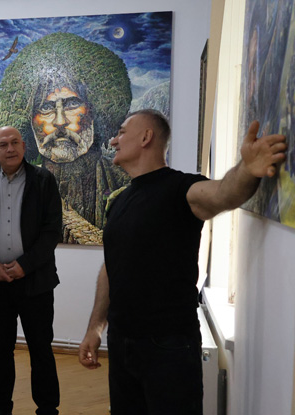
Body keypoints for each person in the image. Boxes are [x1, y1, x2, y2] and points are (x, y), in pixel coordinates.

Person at [78, 109, 288, 415]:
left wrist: (247, 168)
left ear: (146, 137)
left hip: (169, 345)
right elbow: (112, 267)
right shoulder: (120, 201)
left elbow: (224, 193)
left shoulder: (181, 188)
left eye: (122, 132)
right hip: (122, 341)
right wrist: (95, 328)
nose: (113, 140)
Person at [0, 126, 62, 415]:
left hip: (36, 282)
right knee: (0, 350)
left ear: (24, 146)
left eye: (15, 142)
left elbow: (51, 231)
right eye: (3, 144)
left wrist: (25, 265)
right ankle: (1, 408)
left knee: (41, 348)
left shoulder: (43, 181)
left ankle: (47, 408)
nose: (10, 149)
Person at [0, 32, 132, 236]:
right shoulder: (10, 188)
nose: (60, 121)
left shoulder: (127, 186)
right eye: (46, 108)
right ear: (28, 121)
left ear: (96, 110)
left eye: (72, 104)